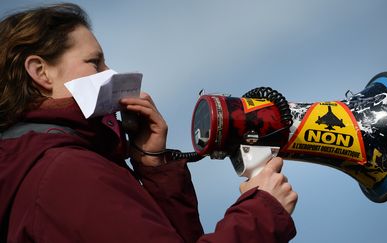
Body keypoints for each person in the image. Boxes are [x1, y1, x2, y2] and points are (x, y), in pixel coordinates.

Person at [0, 3, 298, 243]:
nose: (110, 73)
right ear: (41, 72)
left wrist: (153, 166)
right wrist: (263, 212)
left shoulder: (30, 164)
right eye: (94, 62)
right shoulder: (65, 170)